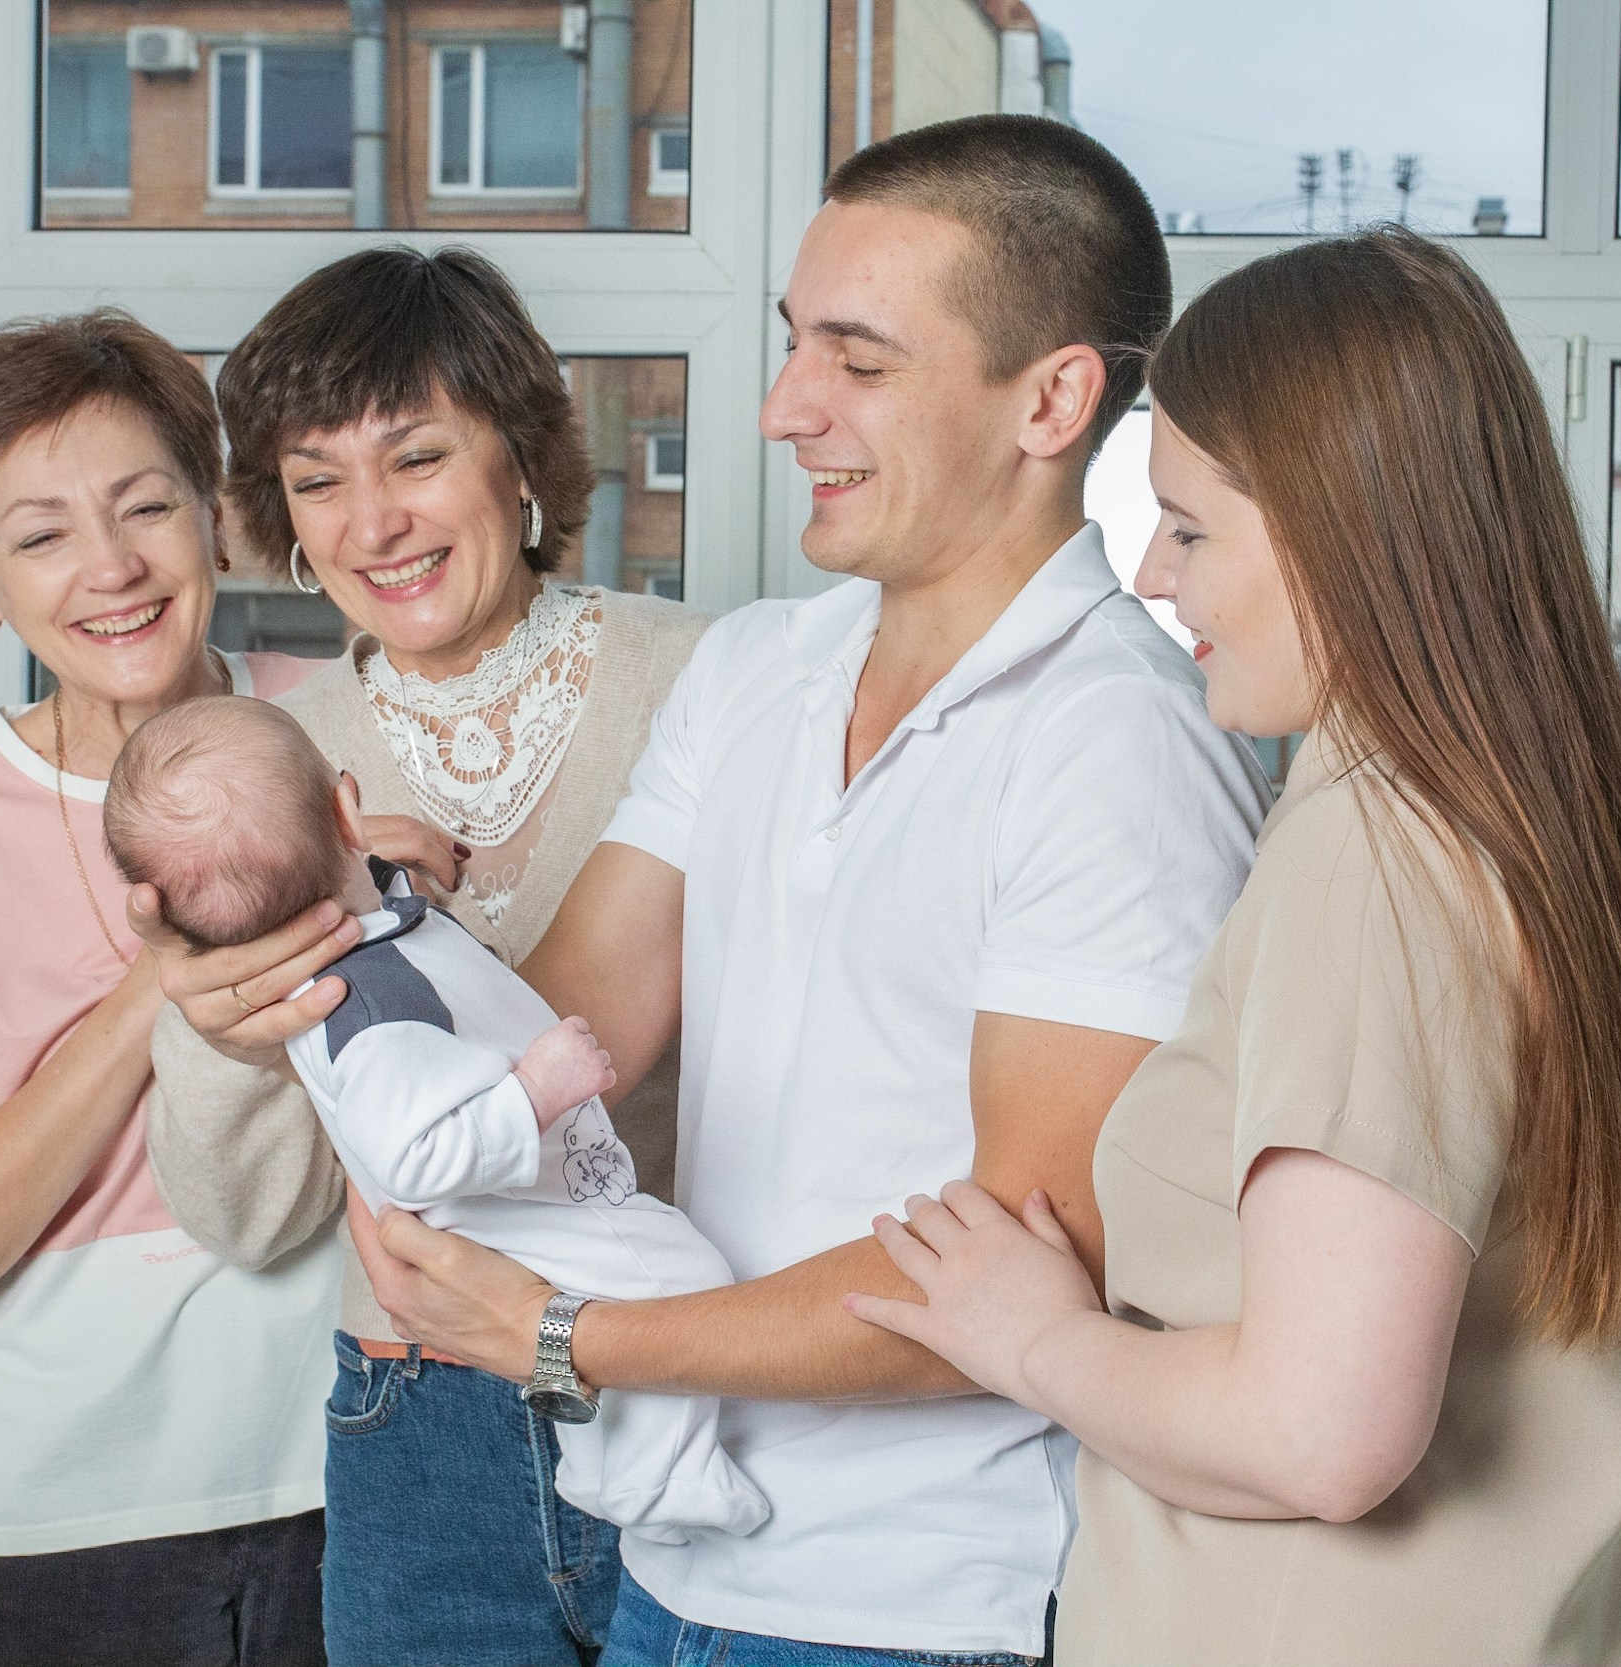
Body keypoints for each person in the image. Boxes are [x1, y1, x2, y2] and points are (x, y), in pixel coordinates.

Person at [342, 115, 1274, 1666]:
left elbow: (1027, 1258)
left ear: (1053, 396)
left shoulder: (1115, 740)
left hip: (926, 1609)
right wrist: (330, 932)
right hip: (684, 1568)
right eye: (793, 345)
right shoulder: (760, 667)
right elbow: (563, 1039)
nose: (786, 408)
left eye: (858, 358)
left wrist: (573, 1336)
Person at [843, 230, 1621, 1667]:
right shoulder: (1552, 826)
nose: (1152, 573)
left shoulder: (1380, 853)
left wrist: (1029, 1335)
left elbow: (1320, 1433)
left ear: (1348, 526)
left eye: (1193, 526)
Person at [136, 245, 708, 1666]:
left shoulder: (715, 680)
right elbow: (250, 1218)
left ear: (520, 456)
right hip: (416, 1413)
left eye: (415, 455)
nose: (372, 520)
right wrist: (217, 1035)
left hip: (692, 1362)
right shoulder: (255, 774)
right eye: (317, 478)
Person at [0, 312, 339, 1667]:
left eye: (144, 506)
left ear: (218, 520)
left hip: (363, 1482)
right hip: (58, 1535)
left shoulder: (344, 737)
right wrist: (147, 994)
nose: (110, 568)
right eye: (41, 533)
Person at [106, 695, 767, 1542]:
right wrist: (536, 1089)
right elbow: (413, 1158)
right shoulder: (373, 1004)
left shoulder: (374, 933)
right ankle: (655, 1489)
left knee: (651, 1309)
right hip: (507, 1223)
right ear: (350, 806)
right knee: (691, 1284)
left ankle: (615, 1468)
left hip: (541, 1198)